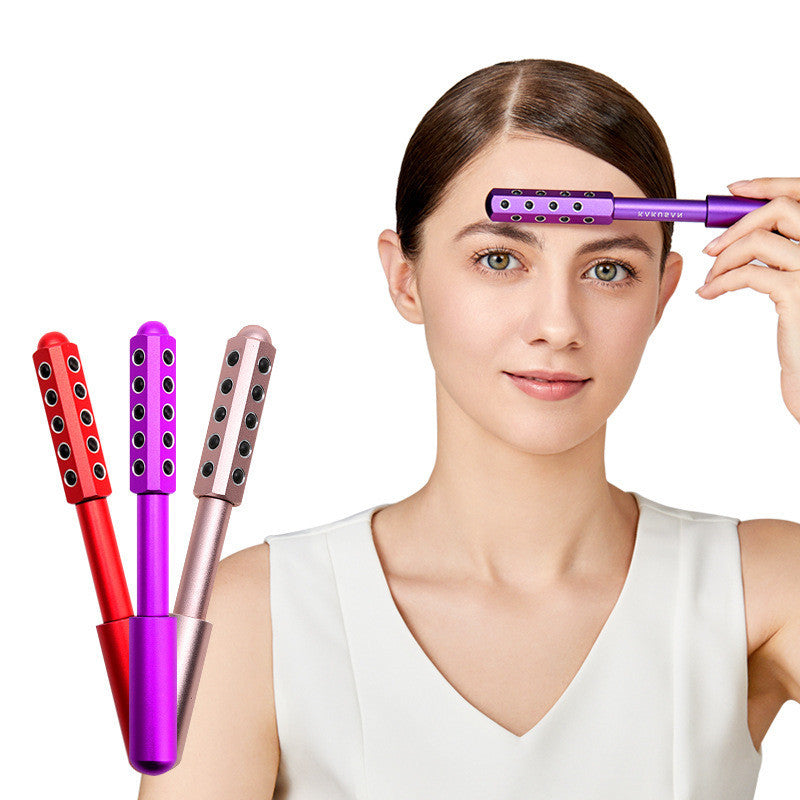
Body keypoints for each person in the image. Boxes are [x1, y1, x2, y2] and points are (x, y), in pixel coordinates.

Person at [138, 58, 800, 799]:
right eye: (499, 258)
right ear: (406, 279)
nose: (557, 324)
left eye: (609, 269)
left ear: (662, 293)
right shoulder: (255, 615)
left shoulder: (762, 587)